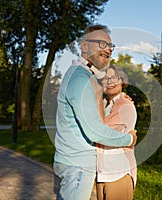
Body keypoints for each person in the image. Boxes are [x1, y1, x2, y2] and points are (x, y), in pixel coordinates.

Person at [53, 24, 137, 200]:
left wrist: (119, 98)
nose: (108, 49)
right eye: (101, 43)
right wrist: (129, 139)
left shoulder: (82, 76)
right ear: (84, 46)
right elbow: (95, 131)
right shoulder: (81, 79)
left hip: (76, 163)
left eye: (110, 46)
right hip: (78, 166)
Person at [96, 65, 137, 200]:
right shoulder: (102, 104)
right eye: (105, 78)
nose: (110, 82)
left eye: (114, 78)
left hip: (118, 174)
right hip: (102, 174)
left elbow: (102, 135)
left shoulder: (126, 106)